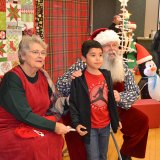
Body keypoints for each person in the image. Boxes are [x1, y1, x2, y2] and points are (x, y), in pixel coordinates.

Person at [56, 29, 149, 160]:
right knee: (73, 123)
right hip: (85, 111)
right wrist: (72, 79)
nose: (112, 49)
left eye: (114, 45)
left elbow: (134, 92)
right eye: (107, 45)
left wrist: (120, 96)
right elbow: (60, 86)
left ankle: (125, 154)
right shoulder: (82, 64)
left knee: (141, 121)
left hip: (114, 108)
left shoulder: (123, 67)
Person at [0, 35, 71, 160]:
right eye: (35, 52)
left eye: (43, 53)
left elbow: (55, 104)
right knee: (36, 144)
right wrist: (54, 126)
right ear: (22, 56)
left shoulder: (43, 75)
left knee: (55, 138)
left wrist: (73, 100)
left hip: (34, 125)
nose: (40, 56)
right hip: (10, 129)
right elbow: (24, 115)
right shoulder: (12, 79)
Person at [69, 40, 119, 160]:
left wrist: (116, 119)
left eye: (100, 55)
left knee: (103, 155)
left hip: (105, 125)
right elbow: (73, 103)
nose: (98, 59)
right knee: (93, 157)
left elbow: (111, 101)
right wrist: (76, 123)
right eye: (93, 55)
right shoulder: (78, 78)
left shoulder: (106, 75)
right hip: (89, 127)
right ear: (84, 58)